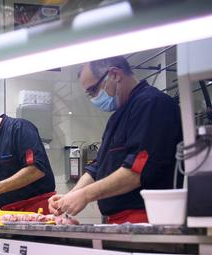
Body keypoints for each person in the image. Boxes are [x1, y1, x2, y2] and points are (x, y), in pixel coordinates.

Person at [49, 56, 182, 224]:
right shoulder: (117, 117)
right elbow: (97, 168)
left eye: (93, 90)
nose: (93, 98)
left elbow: (136, 172)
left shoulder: (151, 104)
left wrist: (85, 195)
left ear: (115, 75)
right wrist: (70, 196)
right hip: (118, 220)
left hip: (146, 218)